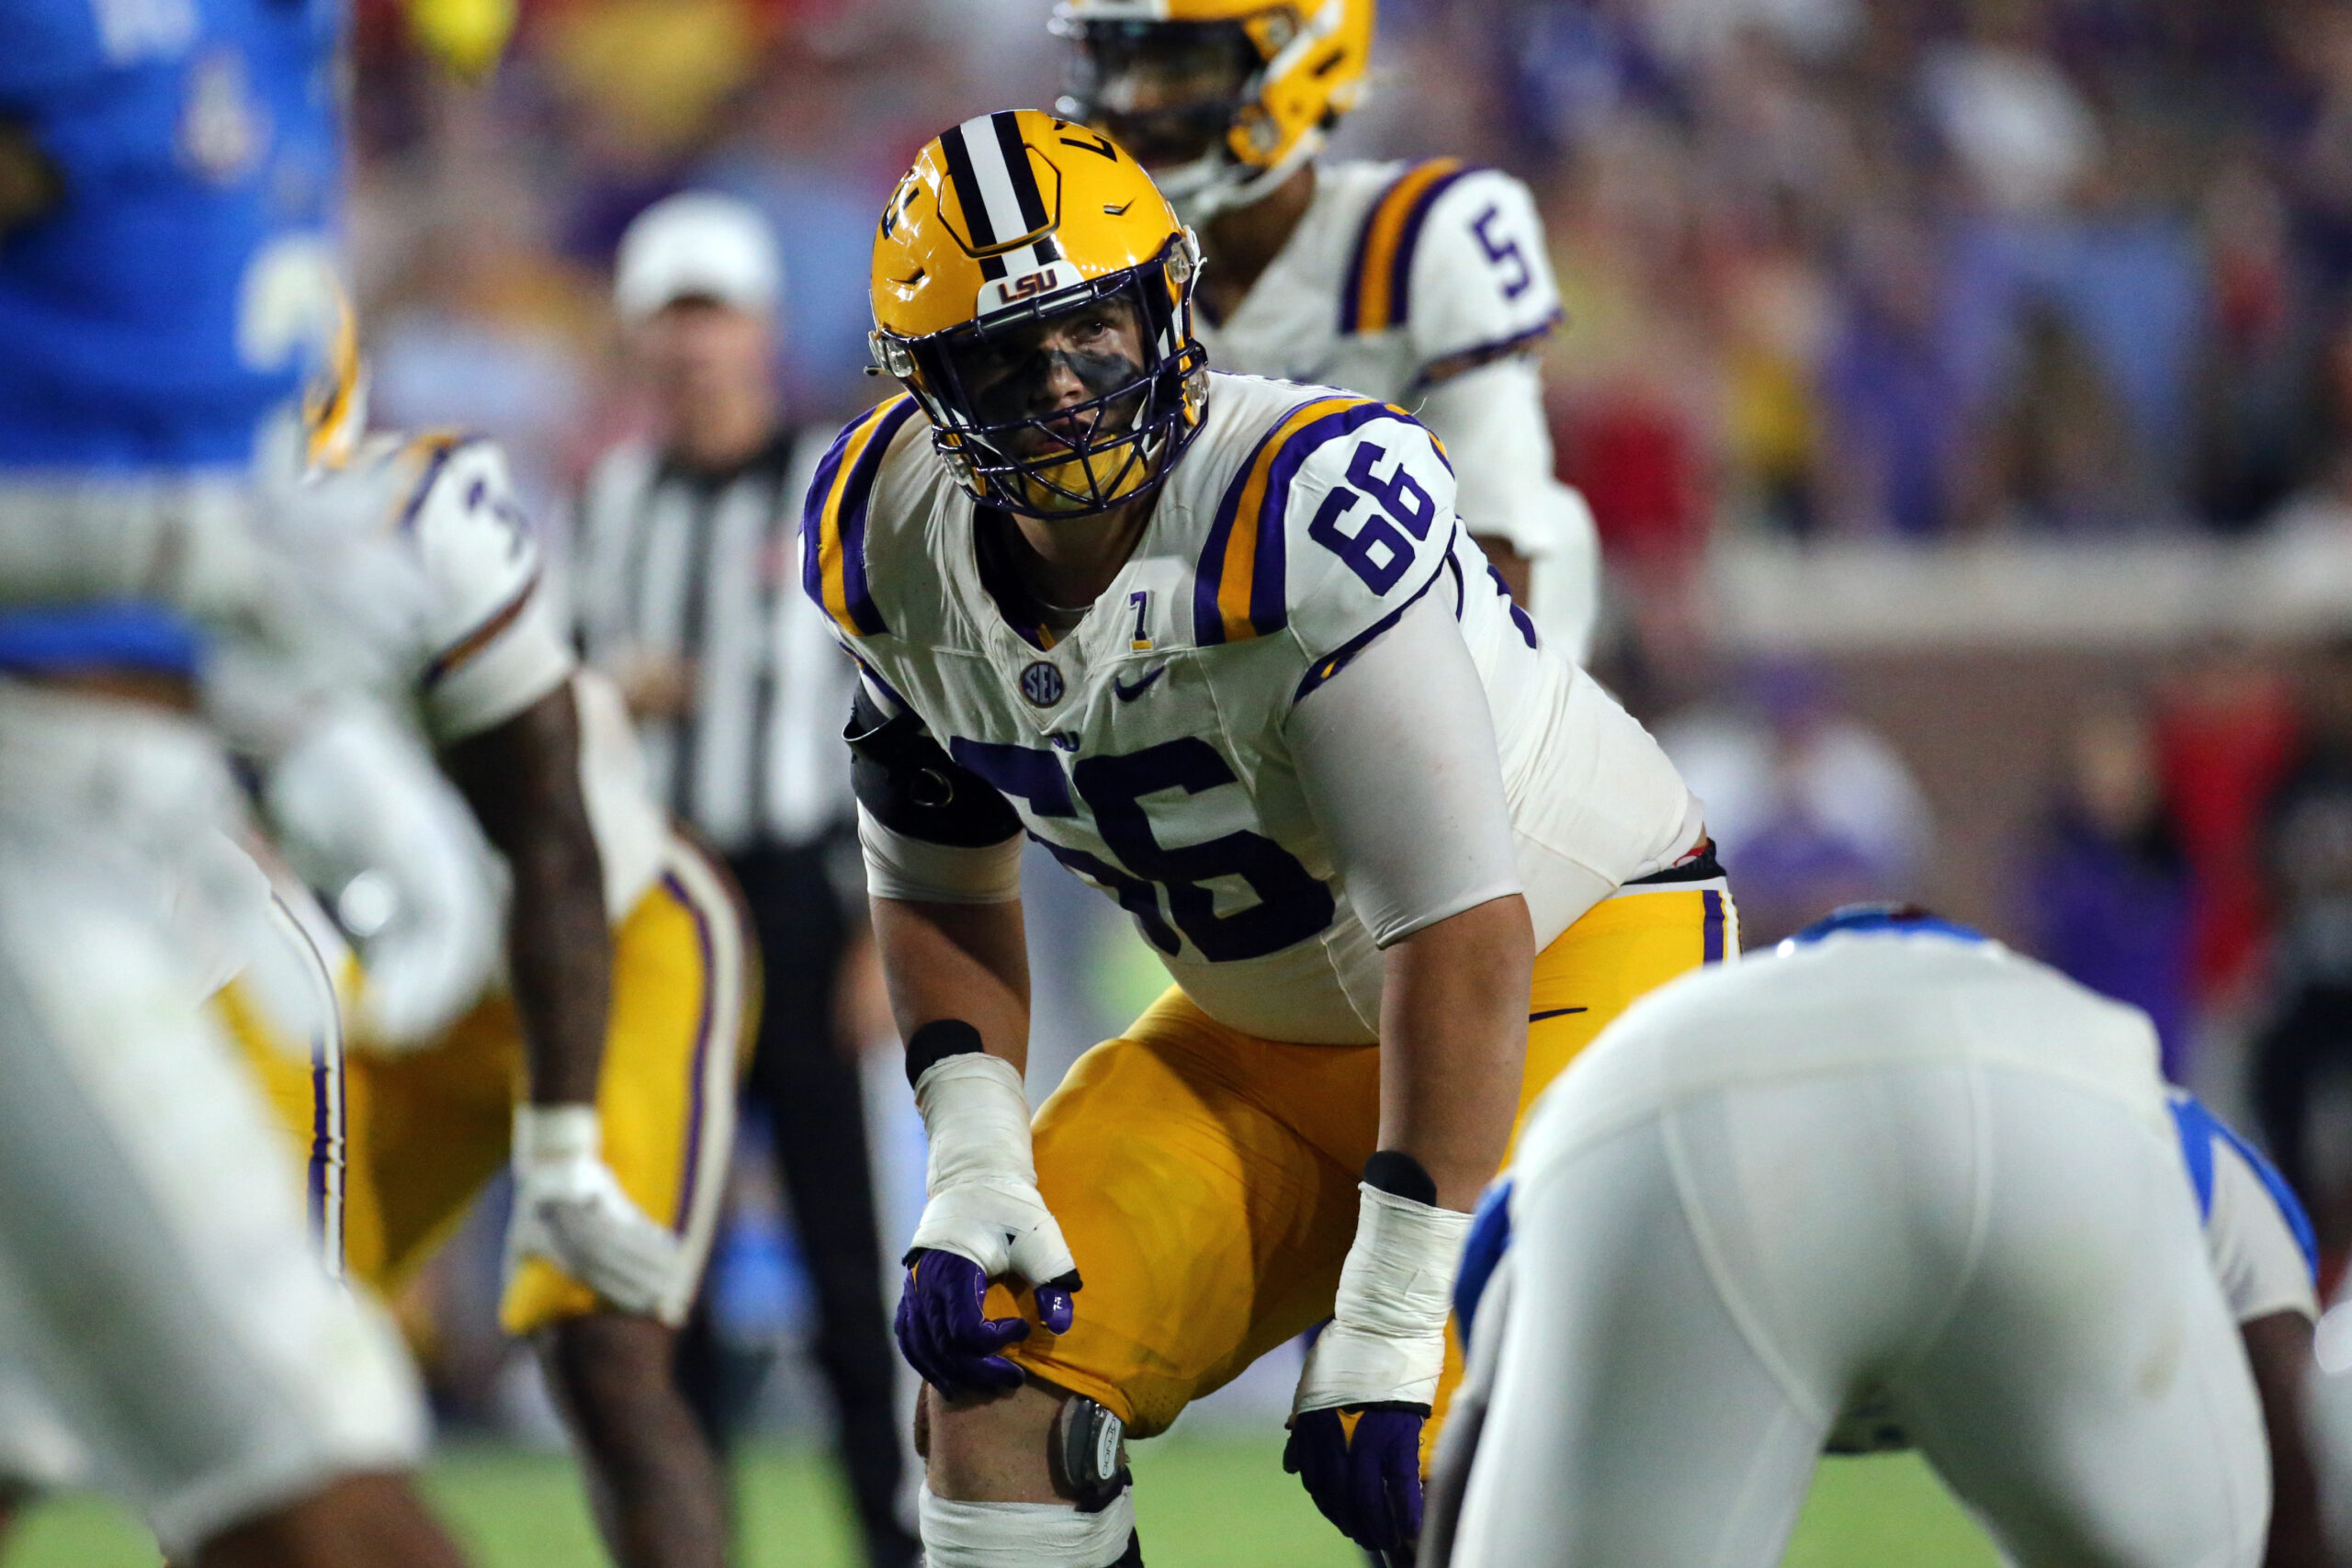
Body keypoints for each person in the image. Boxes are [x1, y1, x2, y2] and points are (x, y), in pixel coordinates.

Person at [816, 111, 1729, 1567]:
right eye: (1004, 358)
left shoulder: (1300, 501)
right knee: (995, 1373)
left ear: (1167, 307)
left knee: (1445, 1445)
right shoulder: (887, 530)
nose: (1062, 389)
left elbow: (1457, 920)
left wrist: (1391, 1305)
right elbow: (933, 869)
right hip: (1267, 1026)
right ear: (929, 392)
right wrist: (975, 1158)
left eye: (1095, 331)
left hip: (1561, 960)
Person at [0, 0, 473, 1561]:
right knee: (330, 1498)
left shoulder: (273, 37)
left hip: (140, 805)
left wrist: (274, 690)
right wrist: (145, 551)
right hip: (28, 816)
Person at [230, 359, 755, 1568]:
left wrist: (565, 1154)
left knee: (604, 1350)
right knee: (254, 1376)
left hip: (611, 938)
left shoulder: (425, 525)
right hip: (405, 993)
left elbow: (553, 843)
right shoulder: (137, 557)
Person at [1430, 906, 2327, 1568]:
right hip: (2049, 1101)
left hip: (1655, 1099)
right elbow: (2294, 1450)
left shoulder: (1613, 1106)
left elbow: (1461, 1465)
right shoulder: (2147, 1110)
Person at [571, 190, 917, 1568]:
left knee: (849, 1266)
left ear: (763, 330)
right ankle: (689, 1543)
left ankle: (894, 1541)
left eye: (714, 314)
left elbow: (903, 712)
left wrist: (879, 928)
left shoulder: (831, 491)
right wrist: (614, 695)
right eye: (672, 318)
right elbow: (539, 700)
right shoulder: (606, 503)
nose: (694, 344)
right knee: (673, 1273)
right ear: (639, 341)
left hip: (802, 892)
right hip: (658, 914)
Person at [1050, 0, 1601, 660]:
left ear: (1305, 55)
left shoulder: (1418, 237)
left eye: (1184, 66)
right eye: (1122, 61)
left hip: (1429, 669)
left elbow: (1497, 560)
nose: (1137, 99)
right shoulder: (1097, 277)